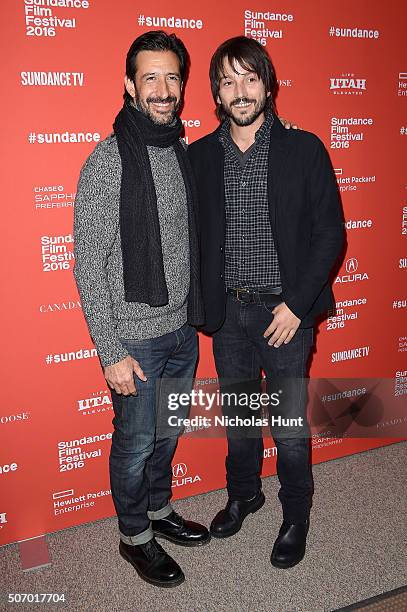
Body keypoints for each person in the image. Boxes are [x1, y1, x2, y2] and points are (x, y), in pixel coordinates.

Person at [188, 36, 343, 569]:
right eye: (228, 81)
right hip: (228, 313)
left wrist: (297, 306)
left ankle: (295, 513)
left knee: (289, 426)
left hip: (286, 315)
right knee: (239, 417)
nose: (240, 90)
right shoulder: (201, 156)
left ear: (268, 84)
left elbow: (330, 234)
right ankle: (244, 494)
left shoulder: (304, 150)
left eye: (250, 77)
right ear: (216, 93)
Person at [73, 30, 210, 589]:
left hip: (181, 330)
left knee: (169, 431)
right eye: (149, 77)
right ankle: (134, 536)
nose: (162, 88)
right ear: (130, 84)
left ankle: (157, 512)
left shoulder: (180, 150)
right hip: (135, 341)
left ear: (182, 85)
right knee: (134, 444)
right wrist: (111, 352)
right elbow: (89, 265)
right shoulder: (107, 162)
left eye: (172, 77)